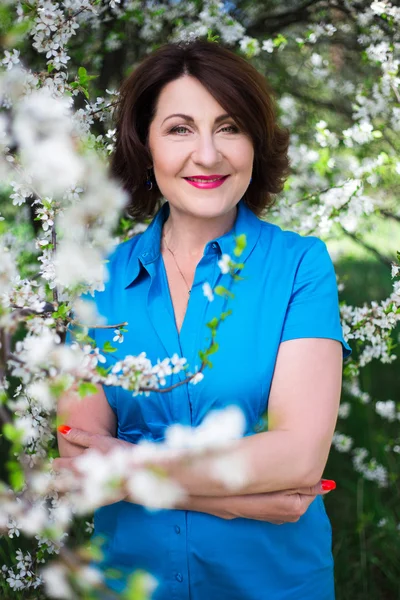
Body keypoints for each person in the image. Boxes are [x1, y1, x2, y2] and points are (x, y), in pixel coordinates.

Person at [56, 39, 352, 600]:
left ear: (255, 143)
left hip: (272, 584)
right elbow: (79, 455)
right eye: (180, 129)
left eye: (230, 127)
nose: (209, 155)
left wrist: (132, 465)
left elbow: (297, 454)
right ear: (145, 144)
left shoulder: (299, 266)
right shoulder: (98, 278)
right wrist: (245, 498)